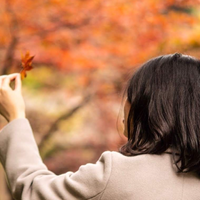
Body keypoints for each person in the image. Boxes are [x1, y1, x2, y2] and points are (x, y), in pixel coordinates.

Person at [0, 53, 200, 200]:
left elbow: (34, 190)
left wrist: (16, 117)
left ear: (148, 108)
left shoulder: (118, 174)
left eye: (131, 95)